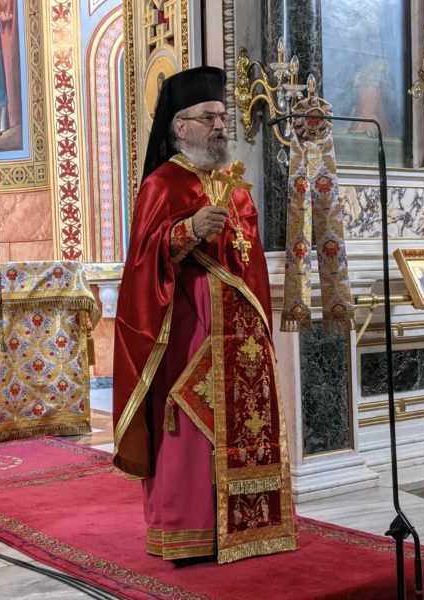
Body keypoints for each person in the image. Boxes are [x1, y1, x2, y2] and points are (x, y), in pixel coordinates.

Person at [113, 66, 297, 564]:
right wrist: (187, 230)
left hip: (241, 331)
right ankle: (188, 528)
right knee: (192, 422)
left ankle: (246, 525)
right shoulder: (162, 183)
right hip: (186, 325)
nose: (219, 125)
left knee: (244, 422)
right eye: (208, 117)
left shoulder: (235, 186)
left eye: (222, 116)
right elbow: (142, 260)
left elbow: (248, 260)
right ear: (180, 125)